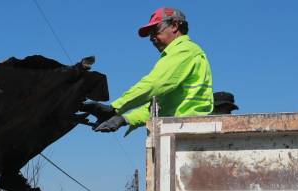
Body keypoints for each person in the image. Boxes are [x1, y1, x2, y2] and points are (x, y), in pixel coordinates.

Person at [82, 7, 213, 133]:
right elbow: (157, 106)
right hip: (179, 127)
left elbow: (154, 84)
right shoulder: (181, 53)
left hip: (186, 128)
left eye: (155, 30)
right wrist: (123, 119)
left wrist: (115, 108)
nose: (151, 38)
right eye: (150, 34)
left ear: (174, 26)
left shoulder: (185, 49)